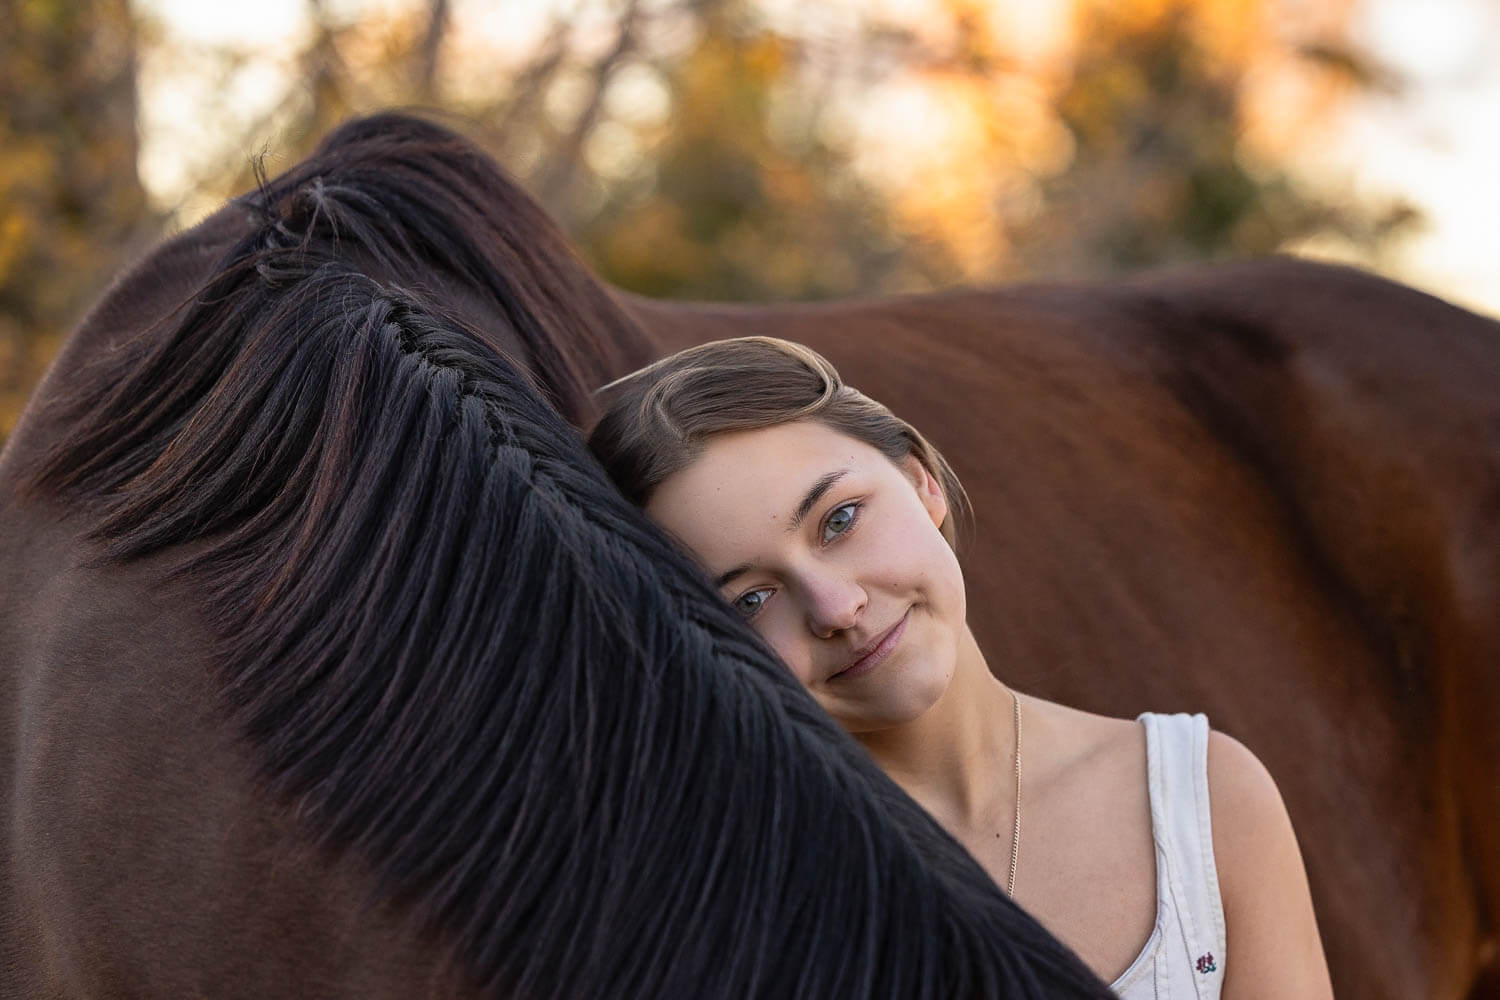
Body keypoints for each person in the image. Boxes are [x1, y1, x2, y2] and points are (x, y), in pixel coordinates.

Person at [588, 336, 1333, 998]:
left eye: (839, 520)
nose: (836, 607)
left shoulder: (1201, 796)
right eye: (751, 598)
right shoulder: (727, 894)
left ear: (922, 483)